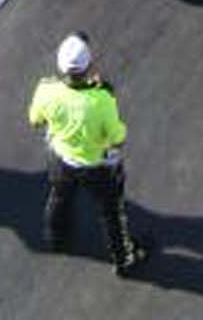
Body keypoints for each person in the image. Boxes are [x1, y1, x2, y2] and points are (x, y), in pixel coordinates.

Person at [27, 30, 143, 272]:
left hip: (60, 160)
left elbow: (35, 120)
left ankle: (55, 238)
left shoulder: (46, 90)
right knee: (111, 213)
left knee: (59, 197)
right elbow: (117, 137)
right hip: (97, 168)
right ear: (90, 66)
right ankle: (124, 259)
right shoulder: (101, 100)